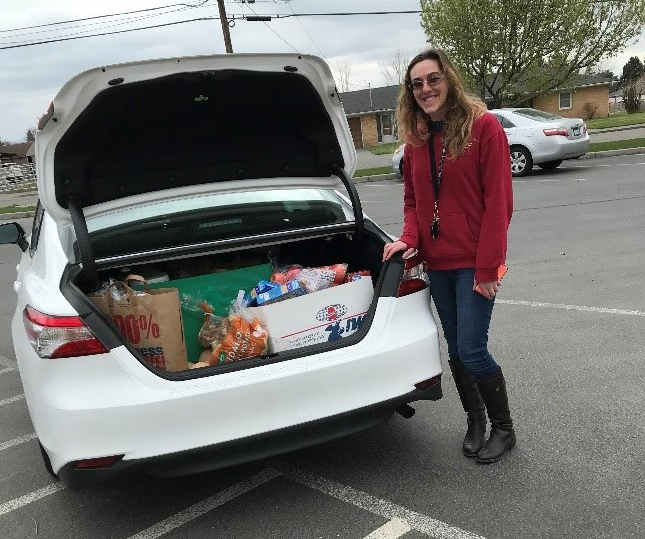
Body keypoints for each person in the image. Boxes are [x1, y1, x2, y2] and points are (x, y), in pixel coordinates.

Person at [382, 49, 515, 463]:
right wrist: (408, 238)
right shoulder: (415, 141)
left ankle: (504, 428)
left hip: (474, 263)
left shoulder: (485, 128)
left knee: (473, 349)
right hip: (437, 264)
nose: (426, 89)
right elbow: (411, 201)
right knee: (456, 351)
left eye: (433, 79)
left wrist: (490, 266)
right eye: (417, 83)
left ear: (449, 80)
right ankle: (475, 421)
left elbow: (499, 203)